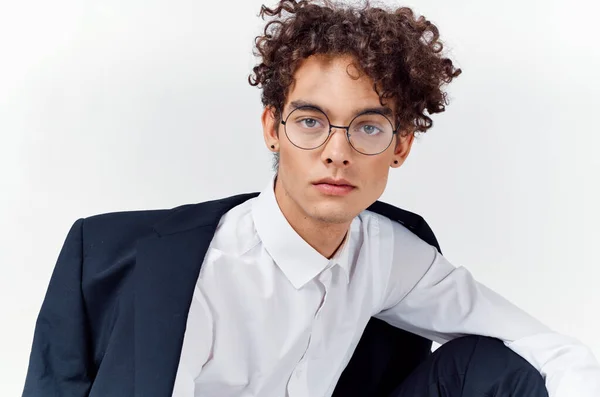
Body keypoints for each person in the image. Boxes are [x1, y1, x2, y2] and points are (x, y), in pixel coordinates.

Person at [22, 1, 600, 396]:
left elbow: (537, 345)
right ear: (272, 127)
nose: (336, 152)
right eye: (311, 121)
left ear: (399, 147)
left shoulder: (388, 252)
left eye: (368, 127)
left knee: (486, 363)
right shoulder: (202, 273)